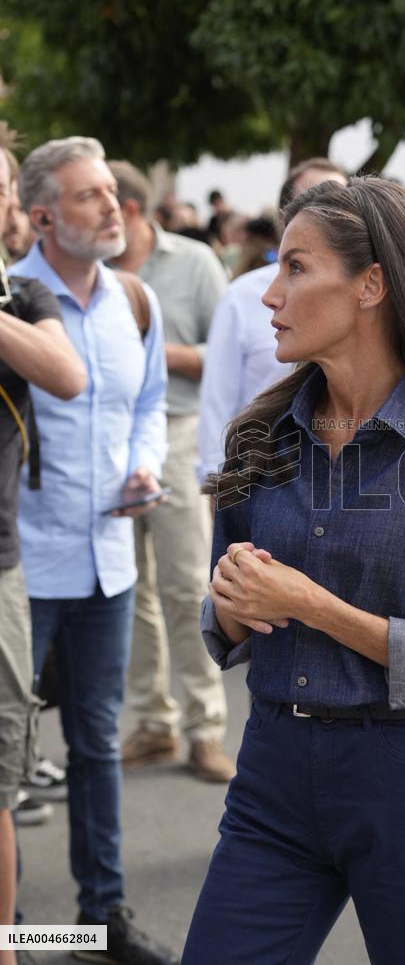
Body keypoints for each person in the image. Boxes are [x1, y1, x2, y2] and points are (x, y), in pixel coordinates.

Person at [183, 177, 405, 964]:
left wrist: (314, 606)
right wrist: (238, 603)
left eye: (297, 269)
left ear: (372, 283)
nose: (270, 294)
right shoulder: (258, 434)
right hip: (272, 770)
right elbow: (224, 618)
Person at [10, 137, 178, 965]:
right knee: (7, 762)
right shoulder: (11, 302)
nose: (113, 206)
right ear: (42, 216)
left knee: (95, 748)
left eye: (111, 190)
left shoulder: (134, 301)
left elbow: (149, 404)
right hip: (21, 567)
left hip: (110, 560)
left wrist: (144, 464)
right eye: (88, 196)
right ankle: (14, 933)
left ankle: (97, 922)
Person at [109, 159, 234, 783]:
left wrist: (161, 351)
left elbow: (233, 345)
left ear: (130, 209)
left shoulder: (194, 261)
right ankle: (153, 725)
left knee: (187, 586)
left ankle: (204, 728)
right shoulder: (92, 269)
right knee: (128, 590)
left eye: (107, 202)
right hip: (109, 441)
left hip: (179, 432)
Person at [0, 127, 86, 965]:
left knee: (17, 771)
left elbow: (67, 376)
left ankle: (26, 942)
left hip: (22, 568)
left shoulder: (24, 301)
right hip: (38, 558)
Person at [197, 157, 348, 482]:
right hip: (260, 473)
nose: (273, 299)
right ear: (287, 214)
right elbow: (217, 396)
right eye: (313, 198)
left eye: (339, 201)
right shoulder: (242, 296)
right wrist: (215, 478)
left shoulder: (362, 303)